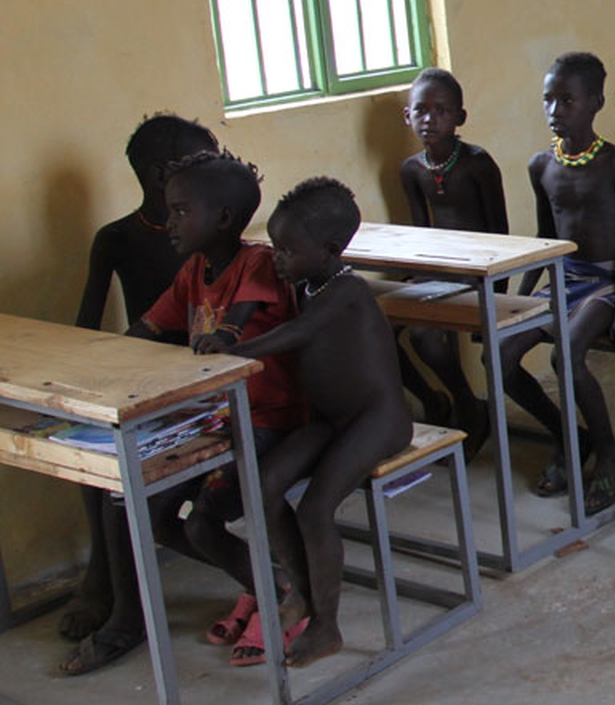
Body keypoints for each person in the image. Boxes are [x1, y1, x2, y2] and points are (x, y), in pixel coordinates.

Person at [63, 151, 306, 674]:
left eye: (179, 211)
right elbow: (146, 332)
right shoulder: (193, 271)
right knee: (134, 508)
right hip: (213, 422)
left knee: (198, 528)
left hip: (264, 422)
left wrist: (224, 336)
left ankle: (282, 592)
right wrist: (96, 367)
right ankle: (262, 584)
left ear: (221, 217)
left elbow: (234, 325)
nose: (168, 222)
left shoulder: (257, 262)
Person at [223, 178, 413, 666]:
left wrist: (233, 354)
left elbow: (296, 334)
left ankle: (327, 626)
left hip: (379, 420)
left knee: (314, 509)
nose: (277, 257)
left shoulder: (346, 290)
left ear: (329, 250)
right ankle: (304, 592)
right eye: (274, 245)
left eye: (287, 249)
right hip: (333, 420)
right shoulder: (309, 284)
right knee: (262, 484)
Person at [60, 114, 220, 648]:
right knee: (89, 454)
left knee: (123, 474)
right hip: (142, 375)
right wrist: (85, 384)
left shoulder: (214, 235)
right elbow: (90, 326)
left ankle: (117, 601)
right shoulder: (117, 238)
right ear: (159, 175)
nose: (214, 169)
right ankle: (101, 579)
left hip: (203, 381)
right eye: (202, 162)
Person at [501, 52, 615, 515]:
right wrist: (514, 303)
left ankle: (610, 456)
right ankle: (569, 437)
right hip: (563, 279)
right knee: (499, 355)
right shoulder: (540, 166)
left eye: (567, 100)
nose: (554, 111)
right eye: (548, 100)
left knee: (566, 353)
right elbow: (545, 242)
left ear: (596, 103)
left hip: (608, 281)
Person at [396, 66, 507, 454]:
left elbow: (501, 231)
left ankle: (466, 404)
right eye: (421, 110)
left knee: (425, 334)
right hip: (436, 270)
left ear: (460, 117)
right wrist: (412, 281)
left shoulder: (478, 164)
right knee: (375, 324)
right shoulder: (412, 169)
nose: (430, 119)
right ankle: (432, 398)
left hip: (479, 273)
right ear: (407, 116)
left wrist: (499, 294)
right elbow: (419, 230)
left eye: (441, 110)